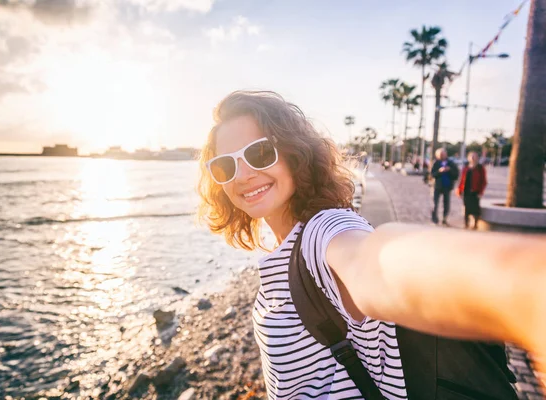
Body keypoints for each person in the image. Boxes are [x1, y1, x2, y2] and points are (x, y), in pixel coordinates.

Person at [198, 91, 546, 399]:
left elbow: (374, 263)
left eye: (259, 153)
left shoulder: (323, 231)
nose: (242, 175)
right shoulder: (282, 251)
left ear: (294, 153)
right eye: (225, 165)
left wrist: (523, 290)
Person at [456, 151, 487, 229]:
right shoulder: (466, 168)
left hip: (475, 191)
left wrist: (481, 192)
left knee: (475, 209)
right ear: (468, 158)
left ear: (477, 158)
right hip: (466, 191)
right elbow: (461, 180)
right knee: (466, 208)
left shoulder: (480, 168)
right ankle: (466, 224)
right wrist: (459, 190)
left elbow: (483, 181)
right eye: (471, 156)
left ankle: (475, 224)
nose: (473, 158)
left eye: (475, 156)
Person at [430, 148, 459, 226]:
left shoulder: (451, 163)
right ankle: (434, 219)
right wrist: (439, 171)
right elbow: (432, 174)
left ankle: (444, 219)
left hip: (447, 186)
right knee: (434, 203)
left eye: (443, 154)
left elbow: (456, 175)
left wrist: (449, 170)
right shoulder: (435, 163)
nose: (442, 156)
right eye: (440, 155)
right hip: (437, 186)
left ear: (446, 154)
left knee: (446, 204)